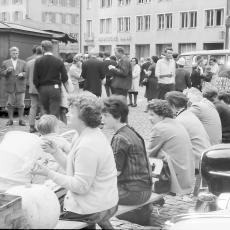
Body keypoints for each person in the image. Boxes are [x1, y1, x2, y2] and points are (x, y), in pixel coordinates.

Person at [31, 92, 118, 229]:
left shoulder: (87, 145)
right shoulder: (83, 134)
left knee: (40, 211)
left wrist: (49, 174)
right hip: (97, 201)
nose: (66, 114)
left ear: (83, 117)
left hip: (94, 207)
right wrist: (56, 152)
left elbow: (80, 186)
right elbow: (73, 170)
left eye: (71, 111)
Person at [102, 95, 153, 224]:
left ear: (117, 116)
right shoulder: (130, 131)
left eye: (106, 116)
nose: (102, 119)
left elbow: (114, 172)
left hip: (133, 193)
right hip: (144, 189)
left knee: (93, 196)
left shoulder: (120, 138)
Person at [147, 99, 195, 195]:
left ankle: (152, 190)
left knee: (144, 160)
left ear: (162, 115)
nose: (149, 118)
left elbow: (149, 154)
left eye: (152, 115)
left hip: (172, 175)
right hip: (185, 173)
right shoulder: (175, 122)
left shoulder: (159, 128)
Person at [165, 91, 211, 170]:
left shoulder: (180, 120)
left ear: (172, 105)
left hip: (195, 162)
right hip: (204, 157)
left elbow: (172, 145)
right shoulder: (188, 114)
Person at [33, 40, 68, 119]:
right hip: (55, 88)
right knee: (54, 112)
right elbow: (65, 77)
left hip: (42, 88)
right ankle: (53, 129)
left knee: (45, 112)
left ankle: (45, 129)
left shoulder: (38, 61)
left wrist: (39, 88)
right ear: (51, 48)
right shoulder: (58, 61)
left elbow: (35, 79)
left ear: (43, 48)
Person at [1, 46, 27, 126]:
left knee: (21, 104)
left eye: (16, 53)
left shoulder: (23, 62)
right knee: (10, 104)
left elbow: (26, 73)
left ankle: (21, 120)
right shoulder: (5, 62)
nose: (15, 55)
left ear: (18, 53)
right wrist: (7, 71)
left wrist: (22, 74)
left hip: (20, 86)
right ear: (10, 54)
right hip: (10, 86)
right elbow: (1, 73)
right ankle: (10, 120)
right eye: (13, 53)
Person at [25, 46, 43, 133]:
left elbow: (27, 77)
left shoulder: (29, 62)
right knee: (43, 107)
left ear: (35, 52)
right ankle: (42, 127)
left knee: (33, 107)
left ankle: (31, 126)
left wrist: (29, 86)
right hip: (42, 88)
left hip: (32, 88)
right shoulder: (45, 61)